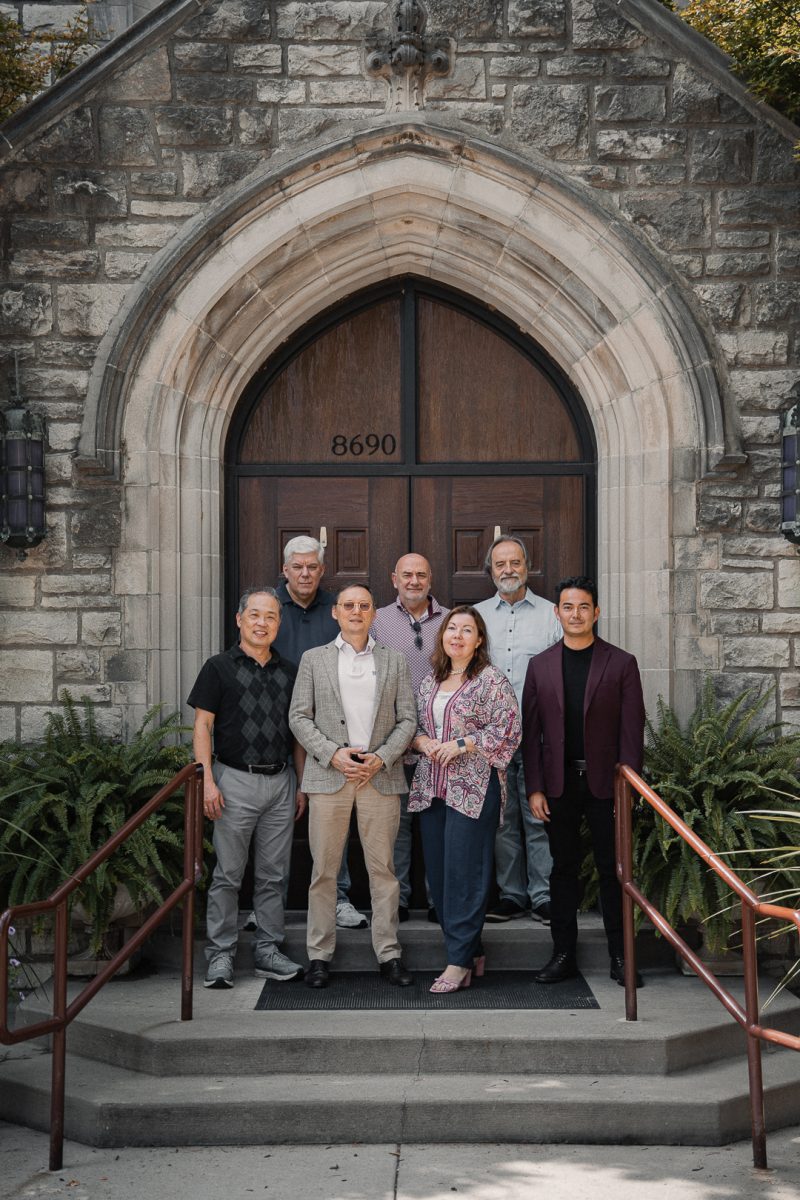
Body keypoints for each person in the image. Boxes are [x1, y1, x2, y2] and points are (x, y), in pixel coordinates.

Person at [289, 583, 418, 989]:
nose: (356, 611)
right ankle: (319, 955)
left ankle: (389, 953)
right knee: (324, 872)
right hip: (331, 776)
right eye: (349, 605)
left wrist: (382, 757)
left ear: (374, 613)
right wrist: (332, 754)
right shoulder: (314, 659)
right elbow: (299, 716)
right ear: (336, 612)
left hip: (379, 776)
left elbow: (408, 719)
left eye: (364, 605)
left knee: (384, 871)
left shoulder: (394, 660)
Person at [522, 576, 646, 987]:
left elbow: (632, 733)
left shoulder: (621, 663)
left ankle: (621, 957)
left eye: (583, 607)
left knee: (614, 871)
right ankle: (563, 956)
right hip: (558, 786)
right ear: (556, 613)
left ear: (596, 613)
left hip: (606, 786)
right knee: (563, 870)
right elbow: (531, 734)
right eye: (568, 607)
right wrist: (535, 787)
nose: (575, 614)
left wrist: (628, 786)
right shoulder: (540, 666)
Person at [188, 587, 305, 989]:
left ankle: (268, 951)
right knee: (228, 875)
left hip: (281, 783)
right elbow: (202, 726)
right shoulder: (217, 668)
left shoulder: (290, 672)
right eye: (254, 615)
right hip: (233, 781)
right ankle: (220, 954)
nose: (262, 623)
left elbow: (297, 735)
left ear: (279, 623)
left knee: (274, 875)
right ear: (239, 620)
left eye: (270, 616)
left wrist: (301, 785)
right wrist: (206, 781)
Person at [409, 606, 521, 994]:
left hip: (472, 789)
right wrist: (422, 741)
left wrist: (464, 743)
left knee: (465, 874)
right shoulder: (430, 681)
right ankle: (472, 952)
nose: (457, 635)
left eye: (467, 630)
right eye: (451, 628)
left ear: (479, 640)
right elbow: (414, 727)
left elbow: (509, 730)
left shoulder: (491, 680)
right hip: (432, 788)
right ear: (442, 636)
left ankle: (457, 961)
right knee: (440, 877)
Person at [270, 534, 368, 931]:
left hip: (327, 735)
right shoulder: (269, 608)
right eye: (298, 567)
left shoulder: (337, 609)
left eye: (312, 567)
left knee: (333, 819)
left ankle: (339, 899)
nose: (305, 573)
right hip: (274, 729)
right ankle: (268, 907)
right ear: (285, 570)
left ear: (323, 570)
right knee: (278, 820)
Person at [475, 535, 561, 925]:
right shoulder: (477, 617)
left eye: (515, 562)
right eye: (500, 564)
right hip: (491, 741)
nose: (508, 570)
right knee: (502, 821)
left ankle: (543, 895)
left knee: (539, 817)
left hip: (538, 738)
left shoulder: (551, 615)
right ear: (490, 571)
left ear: (527, 566)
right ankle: (511, 894)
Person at [371, 552, 445, 921]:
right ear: (394, 579)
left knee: (437, 827)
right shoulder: (376, 620)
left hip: (439, 746)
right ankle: (396, 901)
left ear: (430, 579)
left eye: (421, 575)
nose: (414, 581)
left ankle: (438, 901)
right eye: (407, 575)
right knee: (394, 828)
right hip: (392, 745)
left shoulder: (450, 621)